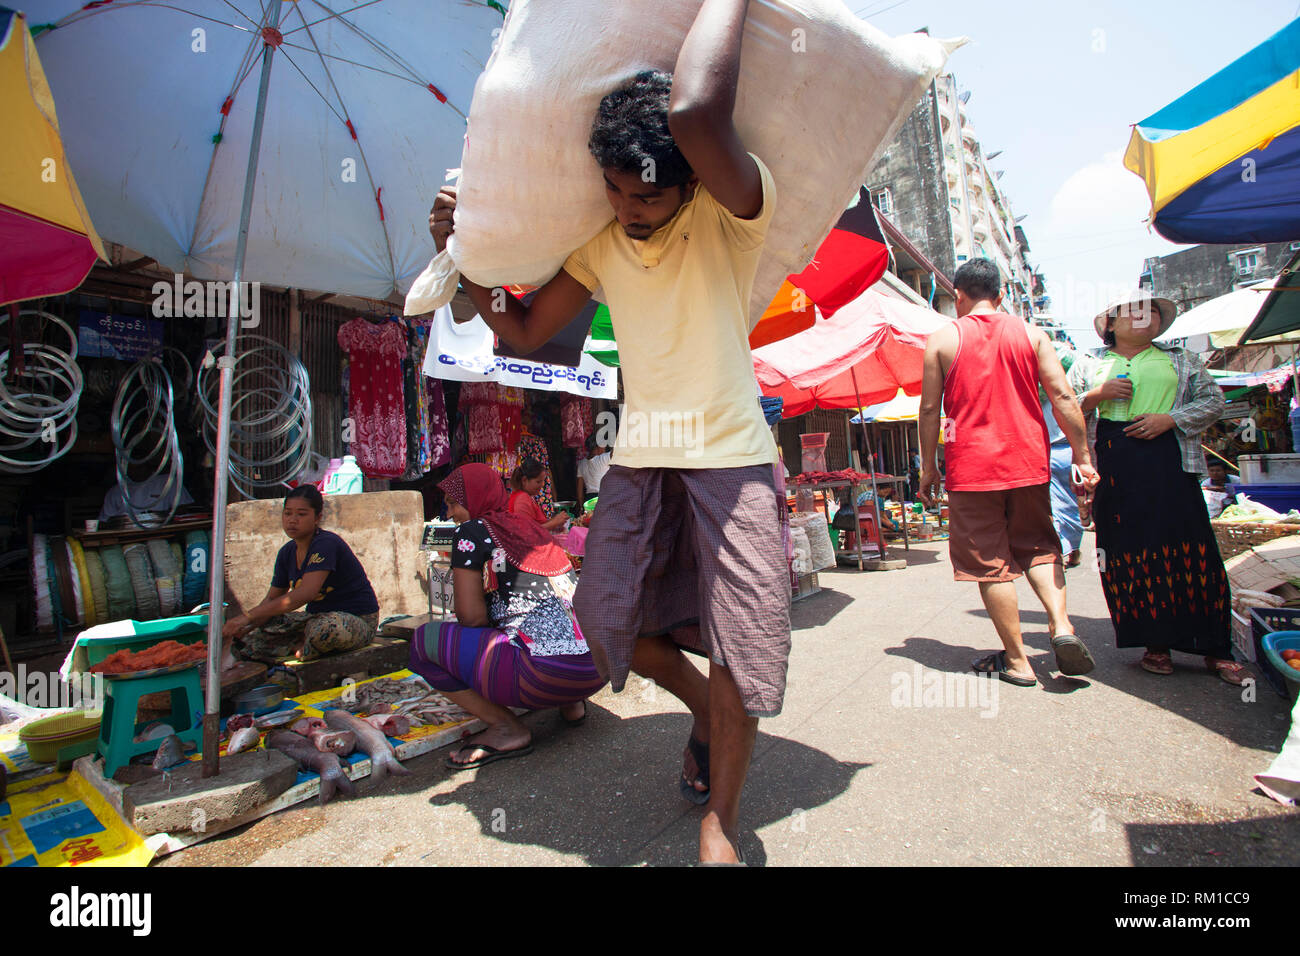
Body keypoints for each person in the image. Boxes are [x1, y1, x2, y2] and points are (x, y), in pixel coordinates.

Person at [428, 0, 789, 864]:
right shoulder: (601, 242)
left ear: (693, 181)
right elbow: (518, 334)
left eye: (649, 194)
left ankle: (721, 821)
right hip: (641, 464)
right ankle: (707, 713)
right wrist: (460, 252)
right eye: (618, 192)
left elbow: (700, 112)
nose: (631, 208)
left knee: (742, 638)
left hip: (733, 460)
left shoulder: (734, 215)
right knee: (606, 622)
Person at [918, 258, 1100, 687]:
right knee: (1038, 546)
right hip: (1028, 461)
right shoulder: (1032, 334)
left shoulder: (942, 340)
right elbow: (1063, 395)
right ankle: (1061, 627)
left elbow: (930, 409)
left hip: (971, 468)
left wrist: (929, 467)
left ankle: (1019, 662)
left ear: (958, 297)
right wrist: (1083, 455)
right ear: (1000, 295)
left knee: (990, 565)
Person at [1069, 292, 1246, 684]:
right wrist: (1097, 395)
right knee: (1129, 552)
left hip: (1170, 458)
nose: (1144, 317)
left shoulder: (1182, 359)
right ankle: (1155, 644)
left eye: (1151, 312)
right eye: (1133, 311)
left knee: (1192, 546)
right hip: (1114, 460)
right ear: (1111, 324)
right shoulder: (1089, 362)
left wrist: (1171, 419)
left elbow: (1212, 401)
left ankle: (1215, 647)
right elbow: (1065, 406)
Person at [409, 464, 604, 768]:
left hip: (542, 677)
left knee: (424, 641)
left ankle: (505, 727)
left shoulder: (471, 532)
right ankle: (571, 705)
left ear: (474, 497)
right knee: (547, 621)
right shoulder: (529, 528)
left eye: (453, 502)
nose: (449, 514)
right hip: (595, 669)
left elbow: (471, 618)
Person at [221, 485, 379, 666]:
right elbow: (272, 599)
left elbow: (305, 594)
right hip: (313, 620)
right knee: (259, 632)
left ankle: (299, 646)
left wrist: (246, 616)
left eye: (301, 514)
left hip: (355, 620)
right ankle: (299, 645)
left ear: (317, 518)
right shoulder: (286, 553)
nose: (292, 520)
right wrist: (249, 626)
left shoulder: (326, 544)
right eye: (288, 514)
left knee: (325, 629)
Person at [1040, 341, 1085, 567]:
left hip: (1068, 448)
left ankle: (1072, 546)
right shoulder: (1037, 393)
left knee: (1071, 503)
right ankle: (1059, 549)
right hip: (1043, 449)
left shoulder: (1070, 389)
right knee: (1052, 505)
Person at [100, 460, 194, 523]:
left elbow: (184, 507)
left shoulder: (167, 482)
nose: (135, 471)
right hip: (126, 533)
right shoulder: (116, 490)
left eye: (139, 467)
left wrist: (161, 515)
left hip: (161, 530)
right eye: (131, 467)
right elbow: (105, 520)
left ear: (148, 466)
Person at [508, 459, 569, 532]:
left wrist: (555, 525)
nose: (542, 485)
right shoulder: (522, 498)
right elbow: (525, 531)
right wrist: (554, 522)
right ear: (524, 480)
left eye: (543, 481)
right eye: (538, 481)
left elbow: (536, 525)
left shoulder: (528, 497)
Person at [575, 435, 611, 504]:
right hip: (603, 497)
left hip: (589, 500)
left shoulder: (581, 464)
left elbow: (579, 492)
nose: (605, 448)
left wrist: (582, 506)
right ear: (599, 446)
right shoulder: (603, 458)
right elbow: (617, 453)